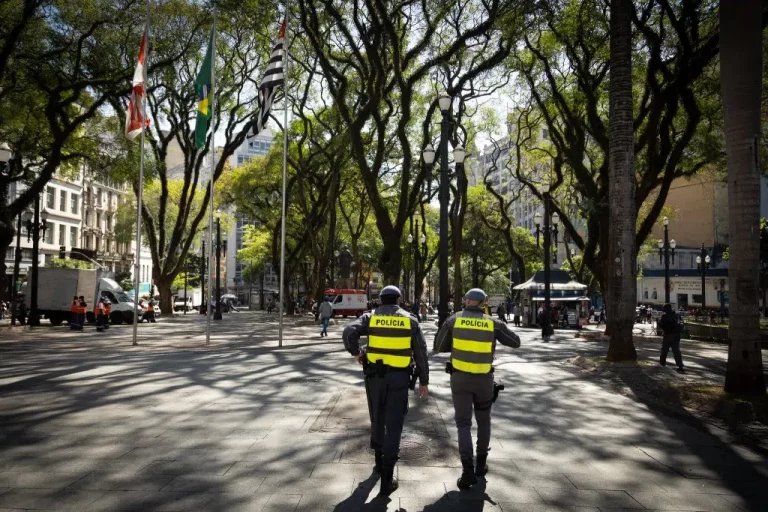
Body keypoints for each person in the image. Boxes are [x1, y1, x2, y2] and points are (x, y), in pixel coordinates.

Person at [343, 285, 429, 496]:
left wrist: (357, 353)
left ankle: (379, 464)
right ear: (399, 299)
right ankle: (387, 479)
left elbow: (348, 332)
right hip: (399, 378)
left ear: (381, 300)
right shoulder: (410, 320)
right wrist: (424, 381)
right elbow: (421, 352)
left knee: (377, 417)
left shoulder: (370, 317)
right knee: (395, 422)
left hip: (374, 378)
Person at [434, 288, 521, 489]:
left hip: (460, 379)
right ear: (484, 303)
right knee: (484, 421)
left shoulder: (453, 320)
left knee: (463, 423)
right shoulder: (493, 323)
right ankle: (481, 464)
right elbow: (515, 342)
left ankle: (467, 471)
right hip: (484, 381)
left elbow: (439, 346)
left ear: (466, 301)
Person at [659, 303, 685, 373]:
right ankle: (680, 365)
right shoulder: (677, 315)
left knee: (664, 349)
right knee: (676, 350)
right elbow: (682, 323)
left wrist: (659, 323)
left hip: (668, 335)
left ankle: (662, 363)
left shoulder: (665, 316)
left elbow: (663, 326)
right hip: (677, 335)